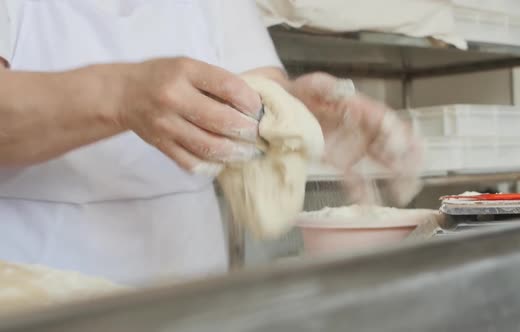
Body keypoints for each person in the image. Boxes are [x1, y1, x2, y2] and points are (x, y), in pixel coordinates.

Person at [0, 0, 421, 286]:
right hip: (38, 289)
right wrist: (121, 95)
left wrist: (297, 112)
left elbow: (256, 89)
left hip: (188, 289)